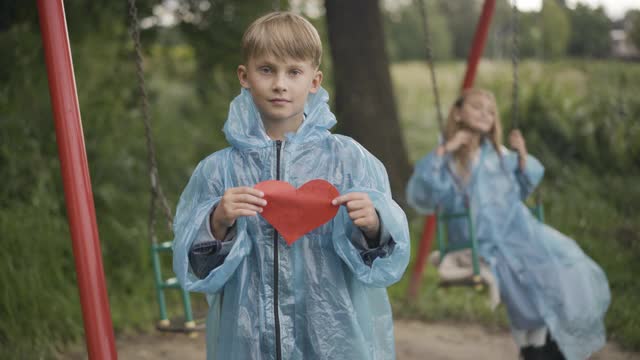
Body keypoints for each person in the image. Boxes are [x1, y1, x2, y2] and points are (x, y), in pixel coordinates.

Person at [172, 11, 410, 360]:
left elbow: (383, 265)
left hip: (333, 338)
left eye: (294, 71)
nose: (280, 83)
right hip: (248, 341)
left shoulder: (349, 161)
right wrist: (218, 221)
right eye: (267, 69)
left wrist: (375, 225)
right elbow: (196, 270)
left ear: (314, 81)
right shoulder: (219, 171)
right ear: (245, 76)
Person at [406, 88, 610, 360]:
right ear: (457, 112)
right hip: (480, 238)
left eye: (490, 111)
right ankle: (535, 347)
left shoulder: (499, 154)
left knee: (567, 267)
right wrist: (448, 148)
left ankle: (544, 344)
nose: (485, 114)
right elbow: (425, 192)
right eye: (477, 107)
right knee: (524, 288)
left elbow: (522, 188)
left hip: (518, 231)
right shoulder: (448, 159)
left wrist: (522, 156)